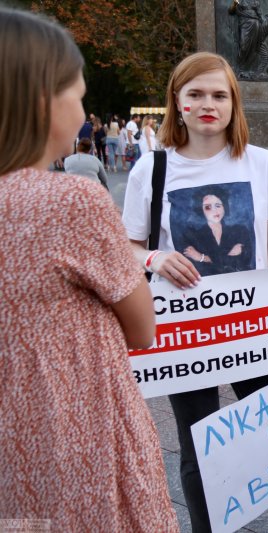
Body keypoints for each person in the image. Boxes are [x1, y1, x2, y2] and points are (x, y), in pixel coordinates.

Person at [121, 52, 268, 533]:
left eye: (219, 95)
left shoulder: (262, 165)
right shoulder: (150, 170)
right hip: (184, 330)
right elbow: (127, 247)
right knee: (197, 447)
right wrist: (154, 258)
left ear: (234, 103)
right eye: (196, 94)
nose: (208, 104)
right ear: (177, 102)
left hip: (251, 327)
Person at [0, 8, 177, 531]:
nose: (82, 110)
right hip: (75, 421)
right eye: (76, 95)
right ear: (40, 101)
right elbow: (142, 328)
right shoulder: (68, 201)